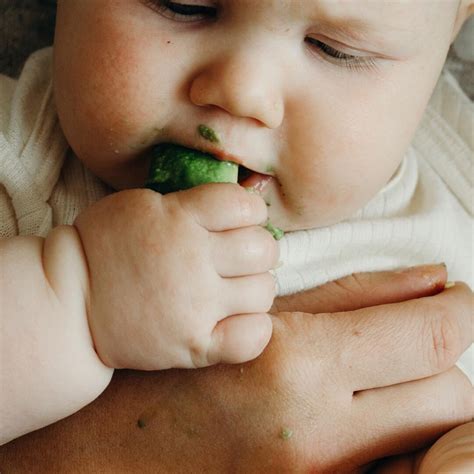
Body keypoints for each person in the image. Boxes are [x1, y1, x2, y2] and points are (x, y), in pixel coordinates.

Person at [0, 0, 472, 470]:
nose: (243, 92)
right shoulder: (17, 164)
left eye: (335, 50)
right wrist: (76, 295)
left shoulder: (460, 171)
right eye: (183, 5)